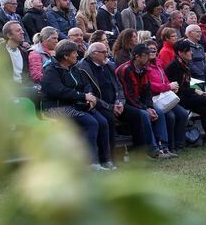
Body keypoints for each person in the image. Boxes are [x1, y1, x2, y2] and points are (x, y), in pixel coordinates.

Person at [77, 41, 166, 160]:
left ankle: (141, 152)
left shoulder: (109, 66)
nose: (106, 55)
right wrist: (110, 107)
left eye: (106, 52)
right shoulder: (84, 68)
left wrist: (120, 102)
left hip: (117, 104)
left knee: (138, 115)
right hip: (101, 106)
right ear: (93, 54)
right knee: (108, 119)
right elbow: (91, 93)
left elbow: (119, 87)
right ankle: (109, 158)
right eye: (103, 52)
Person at [40, 39, 113, 170]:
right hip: (56, 107)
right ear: (65, 56)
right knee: (91, 122)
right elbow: (57, 91)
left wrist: (89, 98)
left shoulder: (74, 68)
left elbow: (85, 84)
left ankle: (105, 160)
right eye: (74, 53)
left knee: (102, 121)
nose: (77, 55)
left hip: (76, 104)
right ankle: (91, 163)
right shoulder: (51, 70)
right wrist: (83, 96)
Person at [115, 43, 176, 158]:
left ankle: (163, 147)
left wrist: (150, 107)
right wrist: (145, 109)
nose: (148, 58)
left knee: (159, 111)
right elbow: (128, 95)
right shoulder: (125, 70)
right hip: (124, 104)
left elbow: (147, 92)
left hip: (139, 102)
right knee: (143, 115)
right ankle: (152, 149)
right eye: (145, 55)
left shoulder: (144, 69)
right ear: (136, 56)